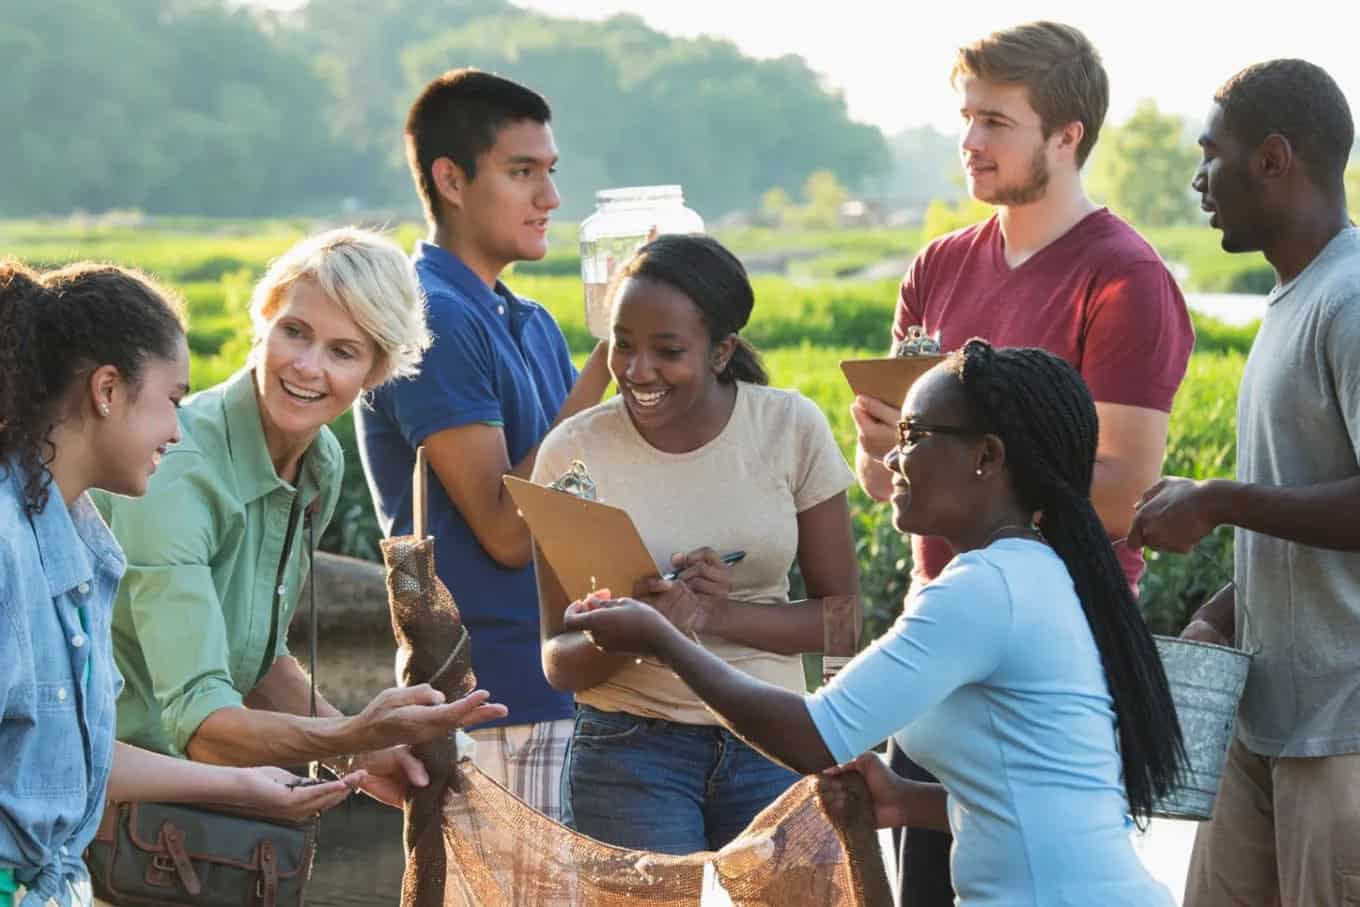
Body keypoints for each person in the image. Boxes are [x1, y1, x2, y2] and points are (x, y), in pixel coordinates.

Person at [565, 340, 1187, 904]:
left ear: (987, 456)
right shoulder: (1031, 573)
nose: (892, 456)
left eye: (914, 435)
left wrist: (665, 641)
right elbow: (1039, 794)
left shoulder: (985, 589)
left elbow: (812, 736)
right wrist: (906, 800)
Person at [849, 22, 1194, 903]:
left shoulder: (1125, 278)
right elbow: (883, 480)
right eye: (966, 118)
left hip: (1054, 656)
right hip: (937, 639)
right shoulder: (936, 267)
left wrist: (955, 466)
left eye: (995, 122)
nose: (969, 140)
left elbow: (1123, 492)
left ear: (1066, 136)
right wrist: (883, 447)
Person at [96, 228, 506, 811]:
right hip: (97, 799)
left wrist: (363, 754)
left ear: (376, 371)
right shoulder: (177, 470)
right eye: (295, 332)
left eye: (343, 352)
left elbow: (258, 660)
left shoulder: (320, 461)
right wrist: (354, 735)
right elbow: (202, 724)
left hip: (181, 804)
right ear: (264, 321)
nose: (308, 367)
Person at [0, 261, 360, 907]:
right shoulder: (8, 547)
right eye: (172, 399)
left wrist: (247, 785)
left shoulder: (85, 543)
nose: (176, 427)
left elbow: (79, 755)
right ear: (107, 390)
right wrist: (354, 737)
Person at [533, 234, 861, 853]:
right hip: (629, 752)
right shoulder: (573, 453)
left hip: (773, 741)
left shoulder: (789, 427)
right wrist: (642, 628)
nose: (637, 371)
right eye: (622, 345)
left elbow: (842, 620)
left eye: (668, 351)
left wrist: (711, 615)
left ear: (721, 352)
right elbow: (558, 658)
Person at [1128, 59, 1360, 907]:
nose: (1199, 178)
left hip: (1341, 734)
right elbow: (1308, 504)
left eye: (1210, 153)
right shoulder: (1295, 299)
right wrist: (1224, 612)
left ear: (1272, 158)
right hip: (1262, 718)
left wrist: (1218, 499)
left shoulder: (1350, 298)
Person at [356, 69, 611, 820]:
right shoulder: (431, 316)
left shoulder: (527, 318)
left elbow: (578, 497)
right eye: (522, 172)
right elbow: (505, 530)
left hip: (561, 683)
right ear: (451, 180)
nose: (550, 197)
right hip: (492, 703)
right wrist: (609, 358)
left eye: (551, 172)